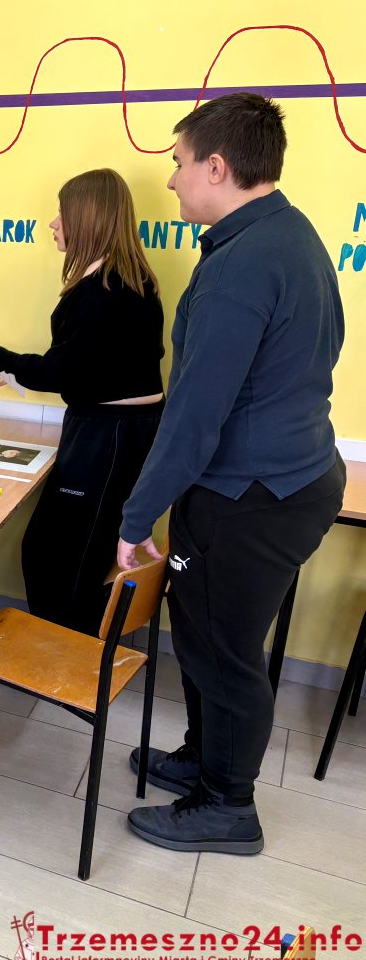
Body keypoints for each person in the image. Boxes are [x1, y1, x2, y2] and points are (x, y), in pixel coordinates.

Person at [115, 93, 345, 855]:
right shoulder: (290, 234)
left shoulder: (242, 267)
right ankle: (203, 759)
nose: (172, 179)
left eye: (179, 163)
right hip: (290, 477)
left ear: (216, 167)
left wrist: (134, 517)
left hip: (251, 496)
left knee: (223, 650)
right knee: (206, 634)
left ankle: (228, 805)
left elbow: (194, 417)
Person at [0, 168, 165, 636]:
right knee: (73, 546)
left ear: (87, 218)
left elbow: (63, 370)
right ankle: (69, 640)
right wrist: (20, 371)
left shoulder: (103, 291)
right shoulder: (132, 280)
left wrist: (1, 359)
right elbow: (88, 365)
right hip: (120, 429)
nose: (53, 223)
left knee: (57, 552)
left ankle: (66, 647)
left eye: (62, 213)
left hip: (107, 436)